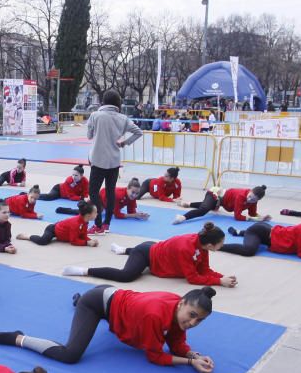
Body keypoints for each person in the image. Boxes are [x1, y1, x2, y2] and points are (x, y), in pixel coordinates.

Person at [0, 286, 216, 373]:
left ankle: (77, 299)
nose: (193, 323)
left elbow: (176, 343)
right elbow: (155, 356)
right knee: (70, 355)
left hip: (115, 302)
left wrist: (195, 356)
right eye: (192, 316)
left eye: (200, 321)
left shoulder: (179, 311)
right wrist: (189, 363)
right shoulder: (155, 314)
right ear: (181, 303)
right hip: (97, 303)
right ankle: (19, 338)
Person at [64, 223, 236, 287]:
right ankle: (83, 270)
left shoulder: (203, 246)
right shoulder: (187, 248)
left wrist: (222, 277)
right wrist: (219, 282)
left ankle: (122, 250)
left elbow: (204, 269)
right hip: (147, 254)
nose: (222, 245)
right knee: (127, 276)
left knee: (157, 250)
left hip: (156, 249)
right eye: (220, 243)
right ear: (210, 244)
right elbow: (192, 277)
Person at [85, 89, 143, 234]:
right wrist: (125, 143)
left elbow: (89, 136)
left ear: (103, 101)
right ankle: (106, 224)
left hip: (98, 160)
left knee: (93, 192)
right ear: (118, 102)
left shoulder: (95, 115)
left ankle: (97, 224)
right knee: (110, 191)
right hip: (114, 161)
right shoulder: (123, 118)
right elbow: (138, 132)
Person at [220, 211, 301, 263]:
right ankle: (219, 246)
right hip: (260, 231)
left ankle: (239, 232)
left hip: (269, 232)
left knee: (256, 238)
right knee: (249, 251)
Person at [16, 200, 98, 247]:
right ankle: (27, 236)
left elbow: (82, 235)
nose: (97, 214)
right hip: (52, 230)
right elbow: (73, 241)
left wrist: (90, 240)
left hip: (62, 229)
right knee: (43, 241)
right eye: (95, 212)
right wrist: (87, 243)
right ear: (88, 215)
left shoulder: (84, 221)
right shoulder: (76, 223)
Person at [173, 185, 269, 225]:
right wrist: (255, 219)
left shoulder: (253, 201)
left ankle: (187, 204)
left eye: (253, 200)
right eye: (250, 196)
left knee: (208, 207)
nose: (249, 200)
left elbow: (252, 213)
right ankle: (182, 217)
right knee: (204, 210)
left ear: (257, 200)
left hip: (221, 202)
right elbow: (237, 216)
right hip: (215, 194)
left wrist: (262, 217)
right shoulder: (241, 196)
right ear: (250, 191)